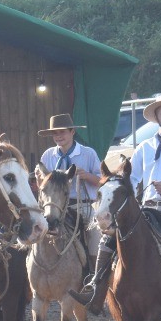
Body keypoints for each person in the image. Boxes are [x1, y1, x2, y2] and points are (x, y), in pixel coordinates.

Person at [81, 94, 161, 318]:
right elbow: (132, 179)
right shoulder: (144, 148)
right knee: (107, 241)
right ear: (157, 117)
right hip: (148, 209)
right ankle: (95, 288)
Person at [39, 114, 104, 266]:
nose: (58, 136)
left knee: (95, 236)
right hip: (54, 207)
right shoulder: (48, 155)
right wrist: (39, 179)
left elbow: (102, 182)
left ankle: (96, 272)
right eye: (55, 133)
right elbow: (42, 187)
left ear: (72, 132)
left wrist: (86, 175)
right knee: (35, 232)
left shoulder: (88, 153)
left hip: (83, 205)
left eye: (62, 132)